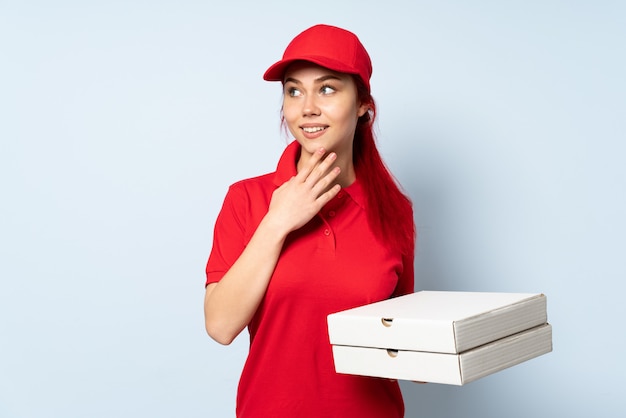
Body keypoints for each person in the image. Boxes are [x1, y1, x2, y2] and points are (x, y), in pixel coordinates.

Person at [204, 24, 415, 418]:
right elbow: (220, 325)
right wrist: (277, 221)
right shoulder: (247, 200)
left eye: (328, 88)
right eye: (294, 90)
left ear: (364, 104)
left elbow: (401, 338)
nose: (307, 108)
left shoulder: (394, 210)